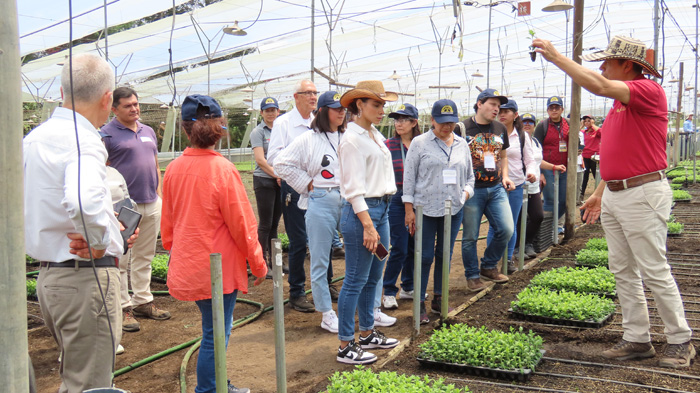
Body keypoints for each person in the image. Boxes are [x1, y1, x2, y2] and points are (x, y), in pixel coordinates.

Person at [534, 34, 695, 368]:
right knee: (622, 270)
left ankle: (681, 340)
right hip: (618, 194)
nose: (604, 67)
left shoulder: (647, 91)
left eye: (608, 62)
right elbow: (620, 154)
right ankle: (637, 338)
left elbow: (600, 85)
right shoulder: (620, 104)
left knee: (653, 268)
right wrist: (597, 193)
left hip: (643, 193)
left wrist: (556, 57)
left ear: (628, 65)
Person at [24, 53, 135, 393]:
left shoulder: (32, 140)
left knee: (74, 376)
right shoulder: (84, 140)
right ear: (107, 99)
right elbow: (83, 201)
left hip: (51, 278)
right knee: (90, 385)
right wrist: (100, 239)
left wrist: (103, 226)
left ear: (61, 93)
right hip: (85, 279)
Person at [161, 95, 267, 393]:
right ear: (220, 129)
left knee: (213, 329)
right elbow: (243, 225)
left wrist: (177, 251)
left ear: (184, 129)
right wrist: (258, 264)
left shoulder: (173, 169)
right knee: (216, 334)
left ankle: (218, 381)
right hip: (217, 269)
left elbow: (167, 225)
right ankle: (208, 389)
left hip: (190, 264)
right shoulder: (222, 170)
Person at [335, 80, 400, 365]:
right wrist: (368, 225)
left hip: (381, 209)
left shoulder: (371, 134)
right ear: (359, 105)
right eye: (377, 104)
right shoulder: (351, 140)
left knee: (374, 277)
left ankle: (367, 332)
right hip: (364, 214)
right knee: (355, 280)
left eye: (383, 104)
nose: (382, 109)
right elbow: (352, 189)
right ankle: (345, 344)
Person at [275, 91, 346, 333]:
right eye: (336, 108)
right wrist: (306, 183)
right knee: (319, 258)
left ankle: (360, 307)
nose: (342, 112)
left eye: (344, 108)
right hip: (321, 201)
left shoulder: (348, 137)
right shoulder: (309, 139)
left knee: (355, 254)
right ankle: (326, 313)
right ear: (323, 111)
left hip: (348, 199)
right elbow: (281, 163)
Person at [102, 86, 170, 332]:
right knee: (121, 258)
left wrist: (159, 195)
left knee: (145, 256)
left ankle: (143, 300)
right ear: (114, 109)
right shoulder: (107, 134)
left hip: (151, 202)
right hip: (124, 207)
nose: (134, 108)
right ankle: (124, 307)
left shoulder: (148, 131)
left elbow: (155, 164)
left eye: (136, 104)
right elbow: (103, 171)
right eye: (128, 105)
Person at [403, 99, 474, 324]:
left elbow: (470, 176)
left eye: (451, 122)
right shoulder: (420, 143)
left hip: (453, 210)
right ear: (432, 120)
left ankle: (439, 298)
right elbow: (409, 177)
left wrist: (465, 194)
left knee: (445, 254)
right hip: (425, 209)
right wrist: (409, 209)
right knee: (424, 256)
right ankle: (419, 303)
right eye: (442, 122)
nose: (447, 127)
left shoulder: (462, 144)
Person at [267, 79, 329, 312]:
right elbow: (274, 157)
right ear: (296, 97)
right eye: (308, 93)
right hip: (295, 188)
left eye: (315, 93)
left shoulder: (319, 122)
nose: (313, 97)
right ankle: (297, 292)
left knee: (323, 236)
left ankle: (325, 285)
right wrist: (301, 172)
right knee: (299, 240)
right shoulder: (283, 123)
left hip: (320, 186)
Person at [459, 88, 514, 292]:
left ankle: (489, 266)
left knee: (506, 228)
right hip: (472, 190)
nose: (496, 109)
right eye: (492, 104)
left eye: (498, 106)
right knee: (470, 236)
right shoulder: (462, 128)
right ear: (480, 104)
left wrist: (506, 176)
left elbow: (504, 156)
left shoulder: (500, 128)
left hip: (496, 187)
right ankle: (472, 276)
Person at [381, 103, 420, 311]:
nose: (399, 123)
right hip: (397, 199)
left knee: (415, 246)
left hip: (418, 200)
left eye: (404, 119)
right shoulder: (388, 146)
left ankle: (409, 286)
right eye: (396, 119)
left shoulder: (422, 144)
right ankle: (388, 290)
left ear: (414, 122)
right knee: (400, 246)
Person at [492, 99, 537, 272]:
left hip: (516, 184)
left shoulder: (522, 136)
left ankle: (508, 259)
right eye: (500, 110)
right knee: (496, 225)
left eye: (507, 111)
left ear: (515, 115)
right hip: (496, 185)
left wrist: (531, 172)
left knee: (511, 224)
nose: (502, 114)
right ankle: (493, 262)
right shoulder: (493, 133)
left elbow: (529, 160)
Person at [516, 113, 566, 259]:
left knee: (538, 216)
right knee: (520, 218)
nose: (527, 124)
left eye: (530, 122)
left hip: (534, 187)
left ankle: (528, 243)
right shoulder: (517, 140)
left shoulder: (536, 142)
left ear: (534, 125)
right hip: (520, 185)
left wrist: (553, 167)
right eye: (524, 122)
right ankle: (517, 248)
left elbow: (538, 161)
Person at [251, 96, 283, 279]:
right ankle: (261, 263)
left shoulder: (281, 130)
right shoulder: (258, 132)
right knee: (264, 223)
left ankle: (275, 261)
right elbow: (260, 160)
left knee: (274, 224)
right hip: (264, 180)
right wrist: (277, 175)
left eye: (274, 110)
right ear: (262, 113)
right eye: (267, 110)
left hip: (278, 180)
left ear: (278, 111)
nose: (271, 113)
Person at [533, 96, 569, 234]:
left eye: (557, 107)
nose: (554, 110)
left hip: (565, 168)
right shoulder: (542, 126)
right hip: (548, 168)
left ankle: (554, 225)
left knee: (564, 200)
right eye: (551, 108)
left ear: (562, 109)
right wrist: (540, 171)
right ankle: (546, 229)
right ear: (547, 110)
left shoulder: (568, 124)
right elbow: (537, 150)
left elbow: (577, 145)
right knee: (550, 199)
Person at [580, 115, 601, 201]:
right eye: (585, 121)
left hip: (594, 157)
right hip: (585, 156)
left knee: (596, 175)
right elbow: (574, 133)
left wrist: (593, 125)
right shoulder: (583, 132)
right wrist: (581, 125)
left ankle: (599, 193)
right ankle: (581, 194)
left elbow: (603, 133)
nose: (587, 122)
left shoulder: (596, 132)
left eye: (589, 120)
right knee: (584, 176)